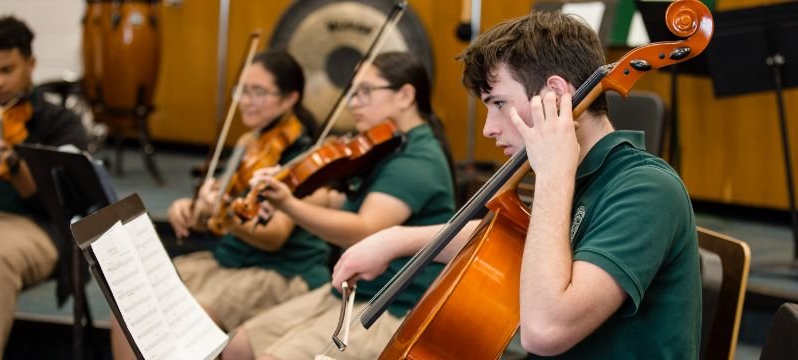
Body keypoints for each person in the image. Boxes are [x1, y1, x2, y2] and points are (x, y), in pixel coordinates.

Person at [332, 10, 702, 359]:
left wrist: (553, 176)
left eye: (498, 103)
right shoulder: (577, 174)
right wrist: (398, 240)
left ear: (555, 94)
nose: (488, 128)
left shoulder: (645, 189)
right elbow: (513, 238)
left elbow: (545, 331)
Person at [220, 51, 457, 360]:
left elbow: (363, 231)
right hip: (348, 289)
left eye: (365, 92)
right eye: (352, 92)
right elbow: (339, 200)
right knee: (237, 345)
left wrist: (288, 204)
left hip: (387, 307)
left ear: (405, 95)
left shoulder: (419, 159)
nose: (353, 102)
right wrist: (286, 186)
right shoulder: (387, 146)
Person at [109, 51, 329, 359]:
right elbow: (217, 220)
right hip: (230, 260)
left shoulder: (303, 157)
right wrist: (192, 210)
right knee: (131, 307)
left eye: (259, 92)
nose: (246, 101)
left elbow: (274, 236)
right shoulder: (248, 143)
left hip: (279, 272)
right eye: (242, 90)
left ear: (289, 99)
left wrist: (222, 211)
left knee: (182, 323)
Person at [0, 16, 89, 357]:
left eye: (7, 70)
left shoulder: (60, 123)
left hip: (41, 228)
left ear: (31, 64)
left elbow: (64, 203)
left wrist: (15, 166)